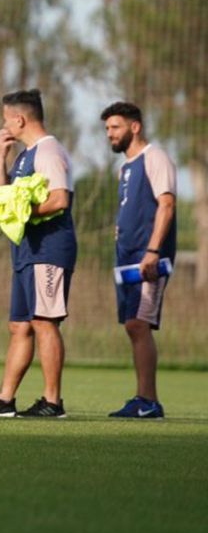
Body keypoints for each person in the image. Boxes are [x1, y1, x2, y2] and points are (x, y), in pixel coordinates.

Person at [0, 89, 77, 418]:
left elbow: (60, 200)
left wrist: (21, 213)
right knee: (20, 325)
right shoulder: (25, 155)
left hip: (49, 249)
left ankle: (52, 402)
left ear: (20, 119)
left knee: (44, 322)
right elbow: (0, 193)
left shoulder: (49, 151)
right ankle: (4, 399)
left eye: (6, 119)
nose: (4, 125)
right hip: (27, 251)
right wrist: (1, 155)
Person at [100, 101, 175, 419]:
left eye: (115, 127)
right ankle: (142, 398)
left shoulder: (155, 157)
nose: (109, 134)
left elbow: (166, 205)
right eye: (107, 128)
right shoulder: (125, 168)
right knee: (132, 326)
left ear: (135, 127)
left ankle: (149, 401)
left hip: (148, 258)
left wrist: (153, 251)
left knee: (139, 324)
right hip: (127, 258)